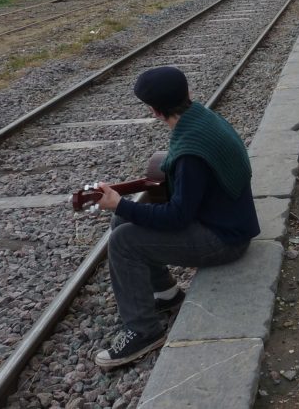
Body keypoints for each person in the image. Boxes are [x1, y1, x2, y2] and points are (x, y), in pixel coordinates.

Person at [92, 66, 260, 369]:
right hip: (230, 221)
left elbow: (177, 217)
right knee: (123, 223)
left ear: (155, 111)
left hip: (225, 240)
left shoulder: (190, 152)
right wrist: (123, 210)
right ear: (188, 94)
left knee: (123, 240)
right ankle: (167, 294)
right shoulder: (202, 117)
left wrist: (119, 204)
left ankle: (144, 331)